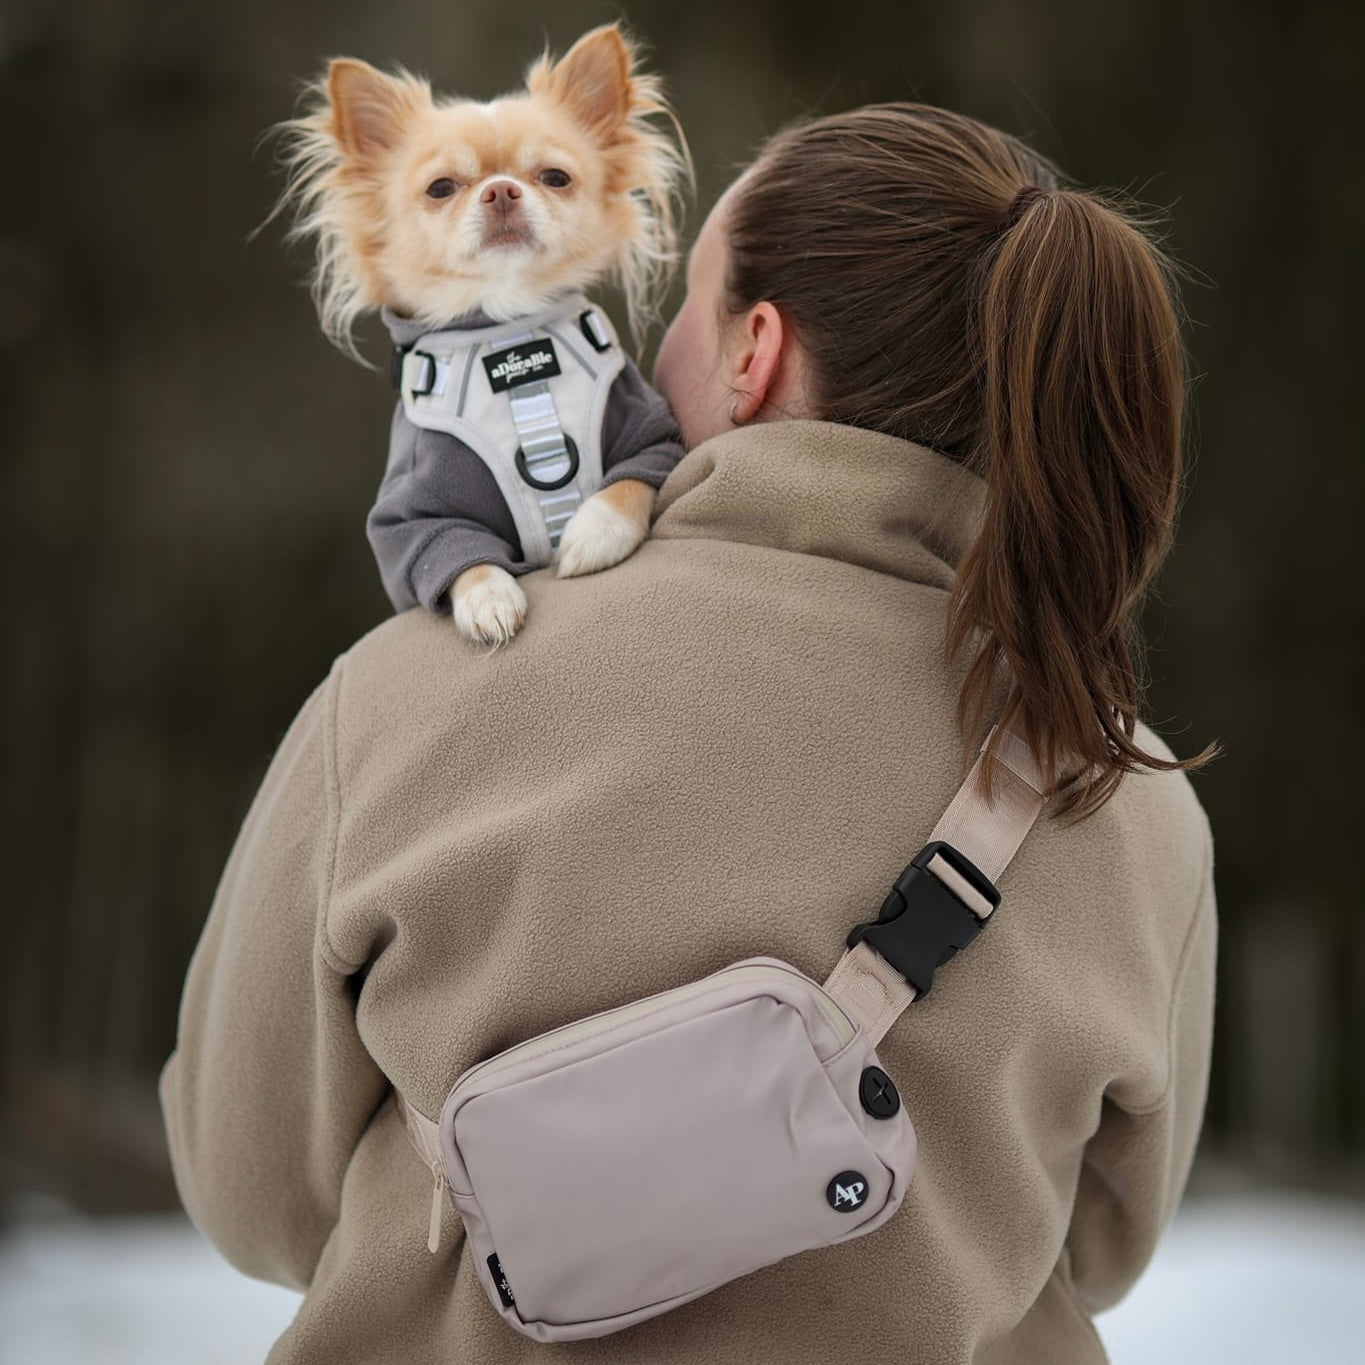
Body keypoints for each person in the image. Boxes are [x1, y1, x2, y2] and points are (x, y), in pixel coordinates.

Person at [159, 102, 1218, 1364]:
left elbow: (253, 1198)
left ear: (751, 356)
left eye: (675, 317)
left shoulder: (397, 698)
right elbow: (1100, 1253)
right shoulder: (1121, 787)